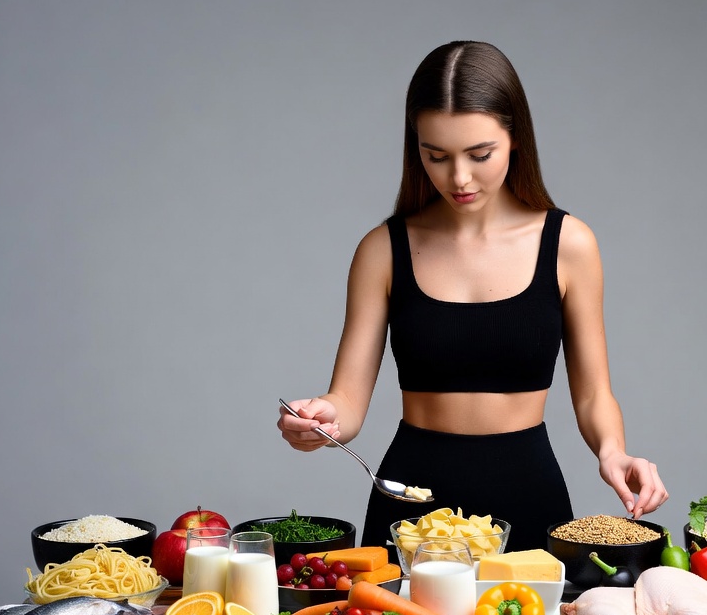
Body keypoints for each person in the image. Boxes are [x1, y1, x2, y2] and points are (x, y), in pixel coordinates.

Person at [278, 40, 668, 554]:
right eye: (435, 156)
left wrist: (612, 451)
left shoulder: (569, 244)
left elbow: (594, 393)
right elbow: (347, 401)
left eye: (479, 155)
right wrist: (321, 419)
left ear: (516, 140)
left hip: (529, 498)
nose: (458, 178)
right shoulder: (383, 250)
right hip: (411, 507)